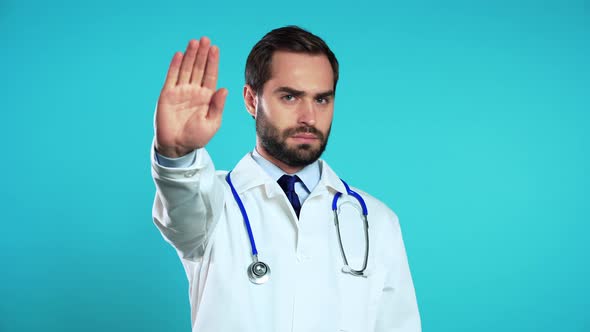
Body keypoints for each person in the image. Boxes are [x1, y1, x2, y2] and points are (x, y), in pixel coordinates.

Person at [151, 26, 421, 332]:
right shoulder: (212, 205)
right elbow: (183, 204)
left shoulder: (378, 221)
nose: (309, 116)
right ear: (252, 101)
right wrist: (177, 155)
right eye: (290, 96)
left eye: (322, 100)